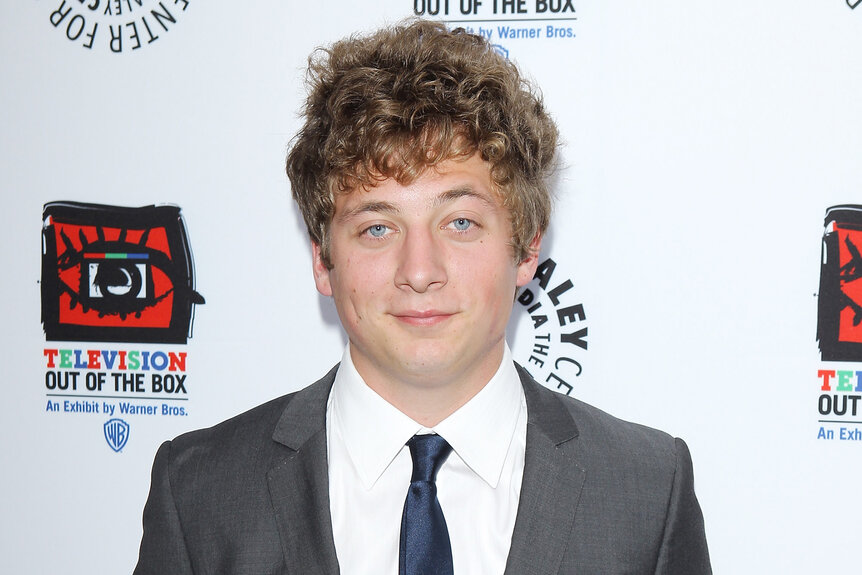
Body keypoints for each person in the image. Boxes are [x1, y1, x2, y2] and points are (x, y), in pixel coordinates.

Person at [134, 19, 711, 574]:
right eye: (377, 228)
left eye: (459, 223)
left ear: (527, 248)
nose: (419, 271)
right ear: (322, 260)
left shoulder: (647, 492)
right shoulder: (200, 493)